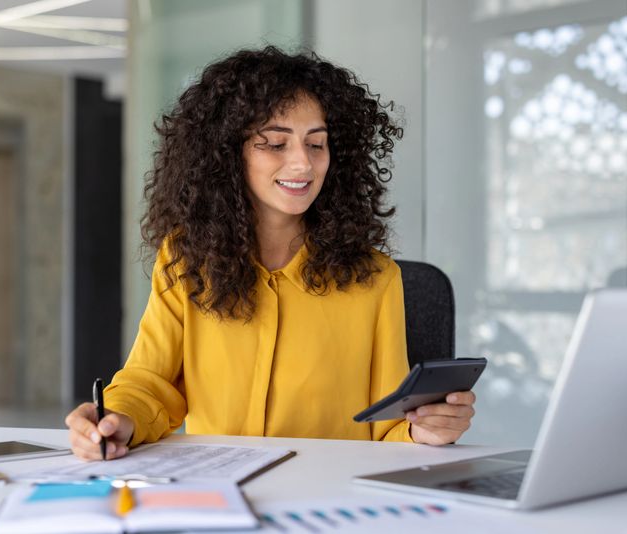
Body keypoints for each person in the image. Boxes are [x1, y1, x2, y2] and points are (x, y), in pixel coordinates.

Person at [65, 46, 476, 460]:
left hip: (327, 501)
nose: (303, 163)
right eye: (276, 143)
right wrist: (118, 418)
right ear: (228, 154)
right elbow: (151, 382)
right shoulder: (186, 260)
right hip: (219, 492)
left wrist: (426, 432)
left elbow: (390, 430)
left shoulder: (376, 277)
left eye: (316, 144)